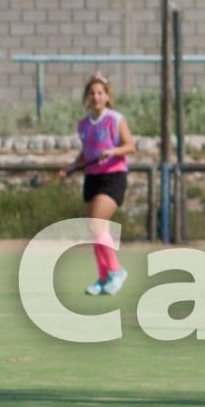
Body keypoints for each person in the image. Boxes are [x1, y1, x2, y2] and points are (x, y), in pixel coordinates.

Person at [65, 73, 135, 296]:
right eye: (92, 93)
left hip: (112, 177)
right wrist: (71, 167)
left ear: (106, 96)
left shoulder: (115, 119)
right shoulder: (84, 124)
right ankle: (103, 277)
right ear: (87, 97)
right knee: (96, 231)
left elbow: (130, 146)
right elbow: (85, 153)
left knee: (97, 225)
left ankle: (116, 271)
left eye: (100, 93)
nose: (96, 97)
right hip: (92, 177)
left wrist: (112, 151)